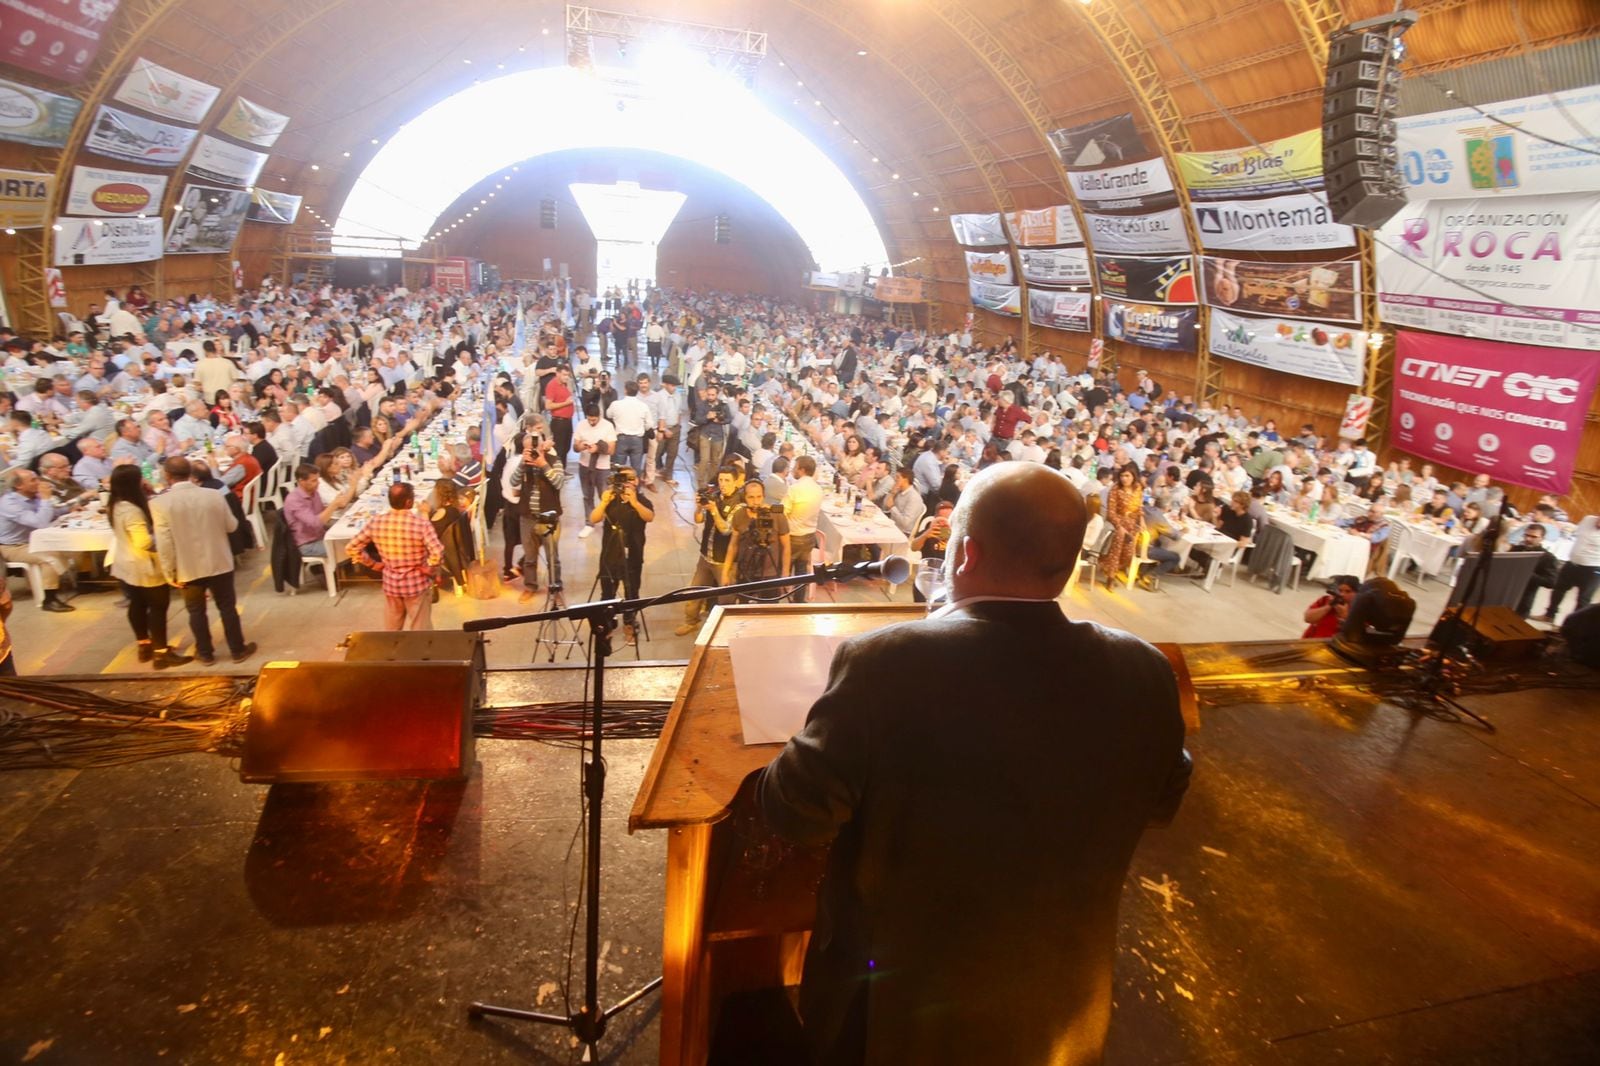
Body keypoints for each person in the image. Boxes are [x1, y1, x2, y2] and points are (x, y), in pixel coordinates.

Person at [752, 463, 1190, 1064]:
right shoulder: (1146, 670)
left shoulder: (885, 665)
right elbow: (1164, 797)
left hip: (893, 1019)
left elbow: (795, 812)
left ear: (964, 554)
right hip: (1061, 1014)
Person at [150, 457, 255, 666]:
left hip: (187, 566)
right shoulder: (213, 495)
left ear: (167, 476)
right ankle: (237, 649)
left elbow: (164, 542)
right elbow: (231, 526)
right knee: (227, 607)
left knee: (196, 610)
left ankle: (205, 653)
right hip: (219, 560)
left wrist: (168, 571)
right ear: (191, 473)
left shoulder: (159, 503)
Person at [107, 465, 191, 668]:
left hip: (125, 565)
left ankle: (144, 644)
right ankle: (161, 654)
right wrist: (165, 543)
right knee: (158, 608)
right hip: (144, 567)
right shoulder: (133, 511)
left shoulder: (115, 504)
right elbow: (143, 542)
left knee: (137, 604)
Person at [345, 481, 445, 630]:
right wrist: (430, 568)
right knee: (421, 629)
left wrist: (372, 563)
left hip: (391, 584)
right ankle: (421, 653)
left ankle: (393, 652)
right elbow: (437, 552)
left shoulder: (377, 522)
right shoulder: (420, 524)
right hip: (416, 584)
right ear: (409, 502)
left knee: (392, 629)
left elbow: (352, 547)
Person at [503, 426, 566, 602]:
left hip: (549, 518)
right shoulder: (523, 463)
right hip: (527, 517)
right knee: (529, 557)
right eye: (527, 448)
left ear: (543, 446)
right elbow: (513, 482)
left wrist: (543, 465)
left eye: (533, 447)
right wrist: (523, 464)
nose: (530, 451)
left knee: (553, 557)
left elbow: (559, 483)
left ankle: (556, 588)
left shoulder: (553, 460)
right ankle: (530, 586)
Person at [591, 466, 654, 643]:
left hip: (632, 555)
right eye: (624, 479)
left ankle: (629, 623)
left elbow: (649, 516)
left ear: (637, 481)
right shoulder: (610, 500)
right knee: (606, 594)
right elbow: (593, 518)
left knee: (632, 593)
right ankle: (607, 624)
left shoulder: (642, 500)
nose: (628, 483)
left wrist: (634, 503)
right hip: (610, 556)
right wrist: (603, 502)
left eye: (632, 479)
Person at [0, 469, 77, 611]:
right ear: (19, 486)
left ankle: (79, 582)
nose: (39, 483)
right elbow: (40, 522)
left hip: (37, 540)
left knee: (72, 546)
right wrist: (46, 499)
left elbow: (51, 512)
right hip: (13, 546)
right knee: (50, 558)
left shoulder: (34, 497)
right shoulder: (9, 503)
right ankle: (49, 599)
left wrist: (70, 509)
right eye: (33, 480)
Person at [675, 466, 739, 635]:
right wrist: (699, 507)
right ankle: (691, 622)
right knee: (694, 592)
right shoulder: (714, 496)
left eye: (727, 481)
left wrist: (714, 511)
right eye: (720, 480)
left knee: (726, 598)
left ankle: (725, 631)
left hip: (724, 561)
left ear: (736, 481)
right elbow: (698, 519)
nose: (723, 484)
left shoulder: (739, 504)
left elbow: (726, 530)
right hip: (706, 556)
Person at [724, 477, 791, 595]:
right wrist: (725, 572)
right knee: (744, 609)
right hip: (745, 571)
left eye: (759, 497)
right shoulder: (739, 515)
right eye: (751, 497)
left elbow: (786, 547)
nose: (756, 501)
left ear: (764, 496)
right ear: (744, 497)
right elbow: (733, 545)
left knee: (769, 608)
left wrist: (785, 574)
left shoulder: (777, 515)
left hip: (770, 573)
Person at [570, 403, 617, 539]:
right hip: (585, 465)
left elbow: (611, 449)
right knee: (587, 495)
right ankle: (589, 523)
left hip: (602, 467)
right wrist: (581, 446)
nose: (591, 422)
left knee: (605, 496)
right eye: (589, 419)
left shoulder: (608, 426)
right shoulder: (581, 425)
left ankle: (609, 523)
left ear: (599, 417)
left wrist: (598, 448)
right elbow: (575, 447)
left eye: (594, 420)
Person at [1541, 514, 1600, 622]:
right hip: (1572, 563)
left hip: (1593, 569)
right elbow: (1577, 534)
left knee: (1583, 599)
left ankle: (1573, 624)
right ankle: (1549, 615)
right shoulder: (1588, 519)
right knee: (1558, 589)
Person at [1099, 465, 1144, 590]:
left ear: (1133, 476)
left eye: (1127, 476)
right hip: (1118, 521)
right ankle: (1110, 578)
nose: (1124, 479)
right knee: (1118, 542)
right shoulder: (1115, 489)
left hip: (1132, 523)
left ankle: (1115, 569)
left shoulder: (1138, 488)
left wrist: (1142, 521)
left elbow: (1139, 508)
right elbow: (1111, 512)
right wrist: (1119, 526)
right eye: (1122, 476)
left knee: (1129, 553)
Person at [1507, 522, 1561, 619]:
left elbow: (1550, 582)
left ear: (1542, 538)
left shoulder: (1548, 558)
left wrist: (1527, 573)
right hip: (1506, 592)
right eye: (1526, 535)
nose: (1528, 539)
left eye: (1533, 537)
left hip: (1524, 598)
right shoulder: (1516, 549)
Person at [1303, 574, 1360, 638]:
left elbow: (1359, 634)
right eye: (1340, 590)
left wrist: (1345, 617)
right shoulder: (1325, 600)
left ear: (1356, 593)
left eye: (1348, 591)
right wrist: (1328, 606)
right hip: (1313, 641)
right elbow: (1307, 618)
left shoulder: (1360, 608)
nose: (1342, 594)